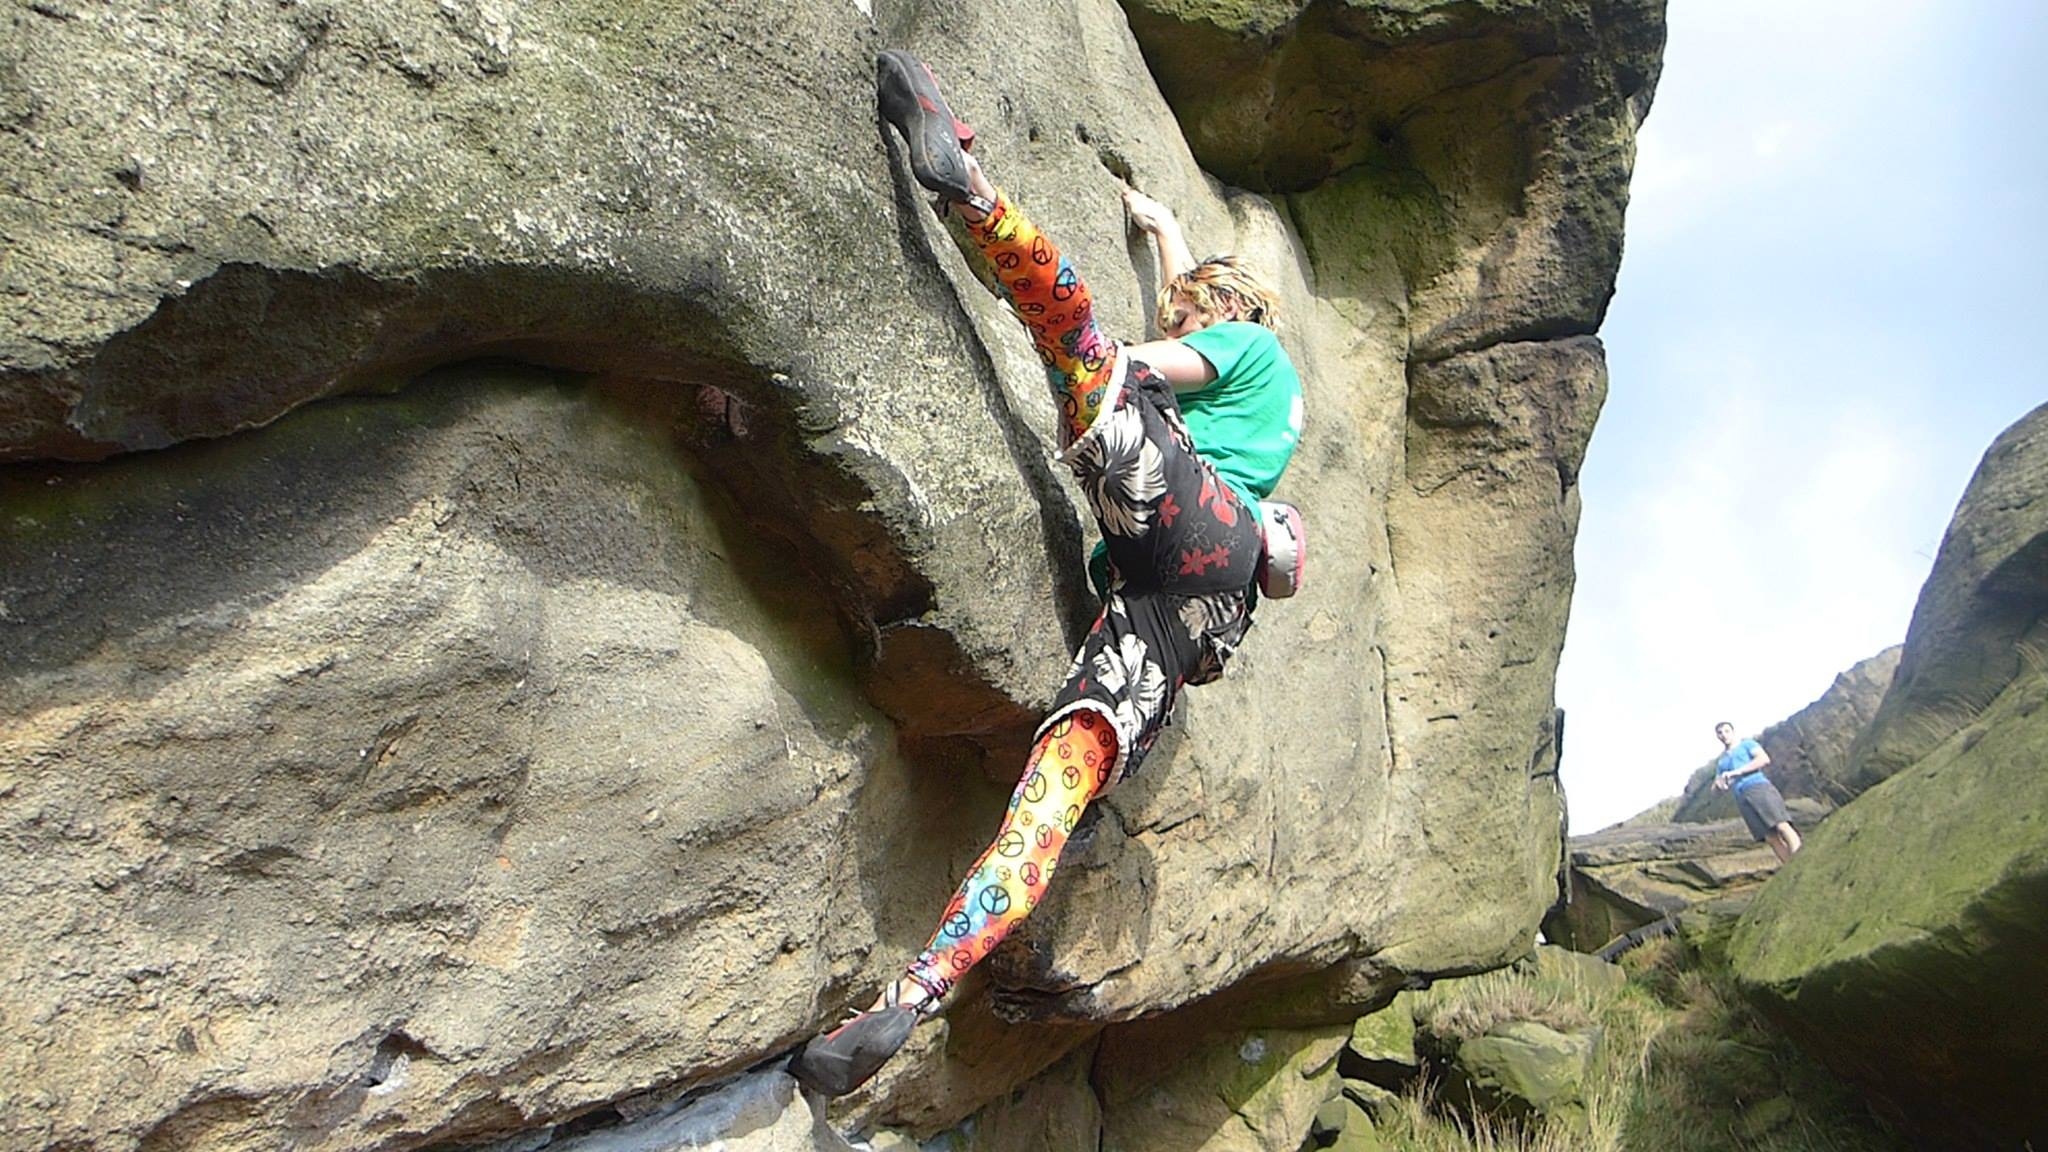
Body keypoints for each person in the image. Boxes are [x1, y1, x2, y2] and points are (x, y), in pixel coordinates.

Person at [787, 50, 1306, 1097]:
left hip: (1183, 513)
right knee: (1051, 801)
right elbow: (1188, 316)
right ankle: (916, 992)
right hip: (1196, 609)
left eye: (1191, 310)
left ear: (1223, 313)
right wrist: (1161, 230)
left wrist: (1130, 349)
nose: (1181, 319)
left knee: (1073, 338)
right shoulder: (1272, 411)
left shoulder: (1250, 348)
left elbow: (1155, 363)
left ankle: (964, 182)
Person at [1713, 722, 1802, 864]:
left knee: (1782, 825)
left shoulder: (1746, 744)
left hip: (1758, 787)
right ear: (1717, 736)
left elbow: (1763, 759)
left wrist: (1738, 771)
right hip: (1741, 797)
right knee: (1771, 837)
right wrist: (1719, 786)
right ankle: (1791, 866)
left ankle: (1800, 859)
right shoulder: (1722, 762)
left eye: (1726, 731)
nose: (1724, 735)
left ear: (1733, 732)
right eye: (1720, 733)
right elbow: (1716, 788)